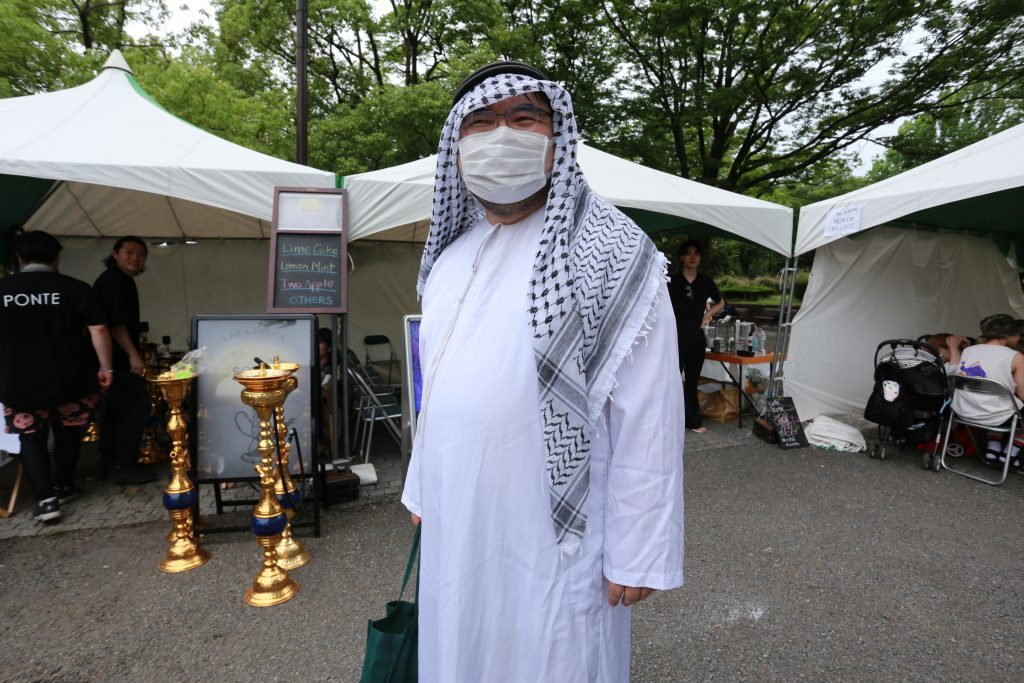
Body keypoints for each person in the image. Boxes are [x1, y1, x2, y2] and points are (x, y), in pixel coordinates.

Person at [400, 62, 685, 682]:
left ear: (557, 138)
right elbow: (438, 388)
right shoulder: (451, 257)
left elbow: (650, 412)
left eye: (523, 117)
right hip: (459, 515)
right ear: (458, 145)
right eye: (480, 121)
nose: (501, 133)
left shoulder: (613, 250)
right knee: (459, 646)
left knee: (554, 654)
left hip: (556, 538)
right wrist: (422, 487)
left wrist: (639, 550)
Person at [0, 231, 113, 522]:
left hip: (18, 380)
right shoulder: (75, 288)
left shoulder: (3, 289)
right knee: (67, 430)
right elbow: (98, 329)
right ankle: (64, 484)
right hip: (70, 377)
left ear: (19, 258)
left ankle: (46, 500)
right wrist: (105, 367)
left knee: (30, 436)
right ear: (56, 257)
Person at [92, 235, 155, 484]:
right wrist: (133, 355)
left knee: (113, 413)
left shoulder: (118, 281)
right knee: (134, 409)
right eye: (129, 252)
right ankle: (124, 465)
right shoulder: (114, 281)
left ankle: (107, 465)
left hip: (110, 360)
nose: (135, 258)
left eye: (140, 254)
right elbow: (116, 324)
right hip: (117, 359)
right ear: (115, 254)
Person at [953, 314, 1024, 469]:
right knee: (1004, 406)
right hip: (996, 414)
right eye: (1018, 333)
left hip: (964, 411)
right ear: (1009, 333)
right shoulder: (1016, 356)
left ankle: (993, 448)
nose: (1019, 337)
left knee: (997, 403)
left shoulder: (969, 350)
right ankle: (1011, 452)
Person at [668, 239, 724, 433]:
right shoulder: (671, 281)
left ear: (700, 257)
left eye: (696, 253)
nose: (692, 257)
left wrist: (708, 315)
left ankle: (693, 421)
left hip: (697, 340)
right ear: (682, 257)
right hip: (674, 339)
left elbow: (720, 302)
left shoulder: (706, 282)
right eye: (688, 253)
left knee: (691, 382)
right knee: (670, 381)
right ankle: (668, 420)